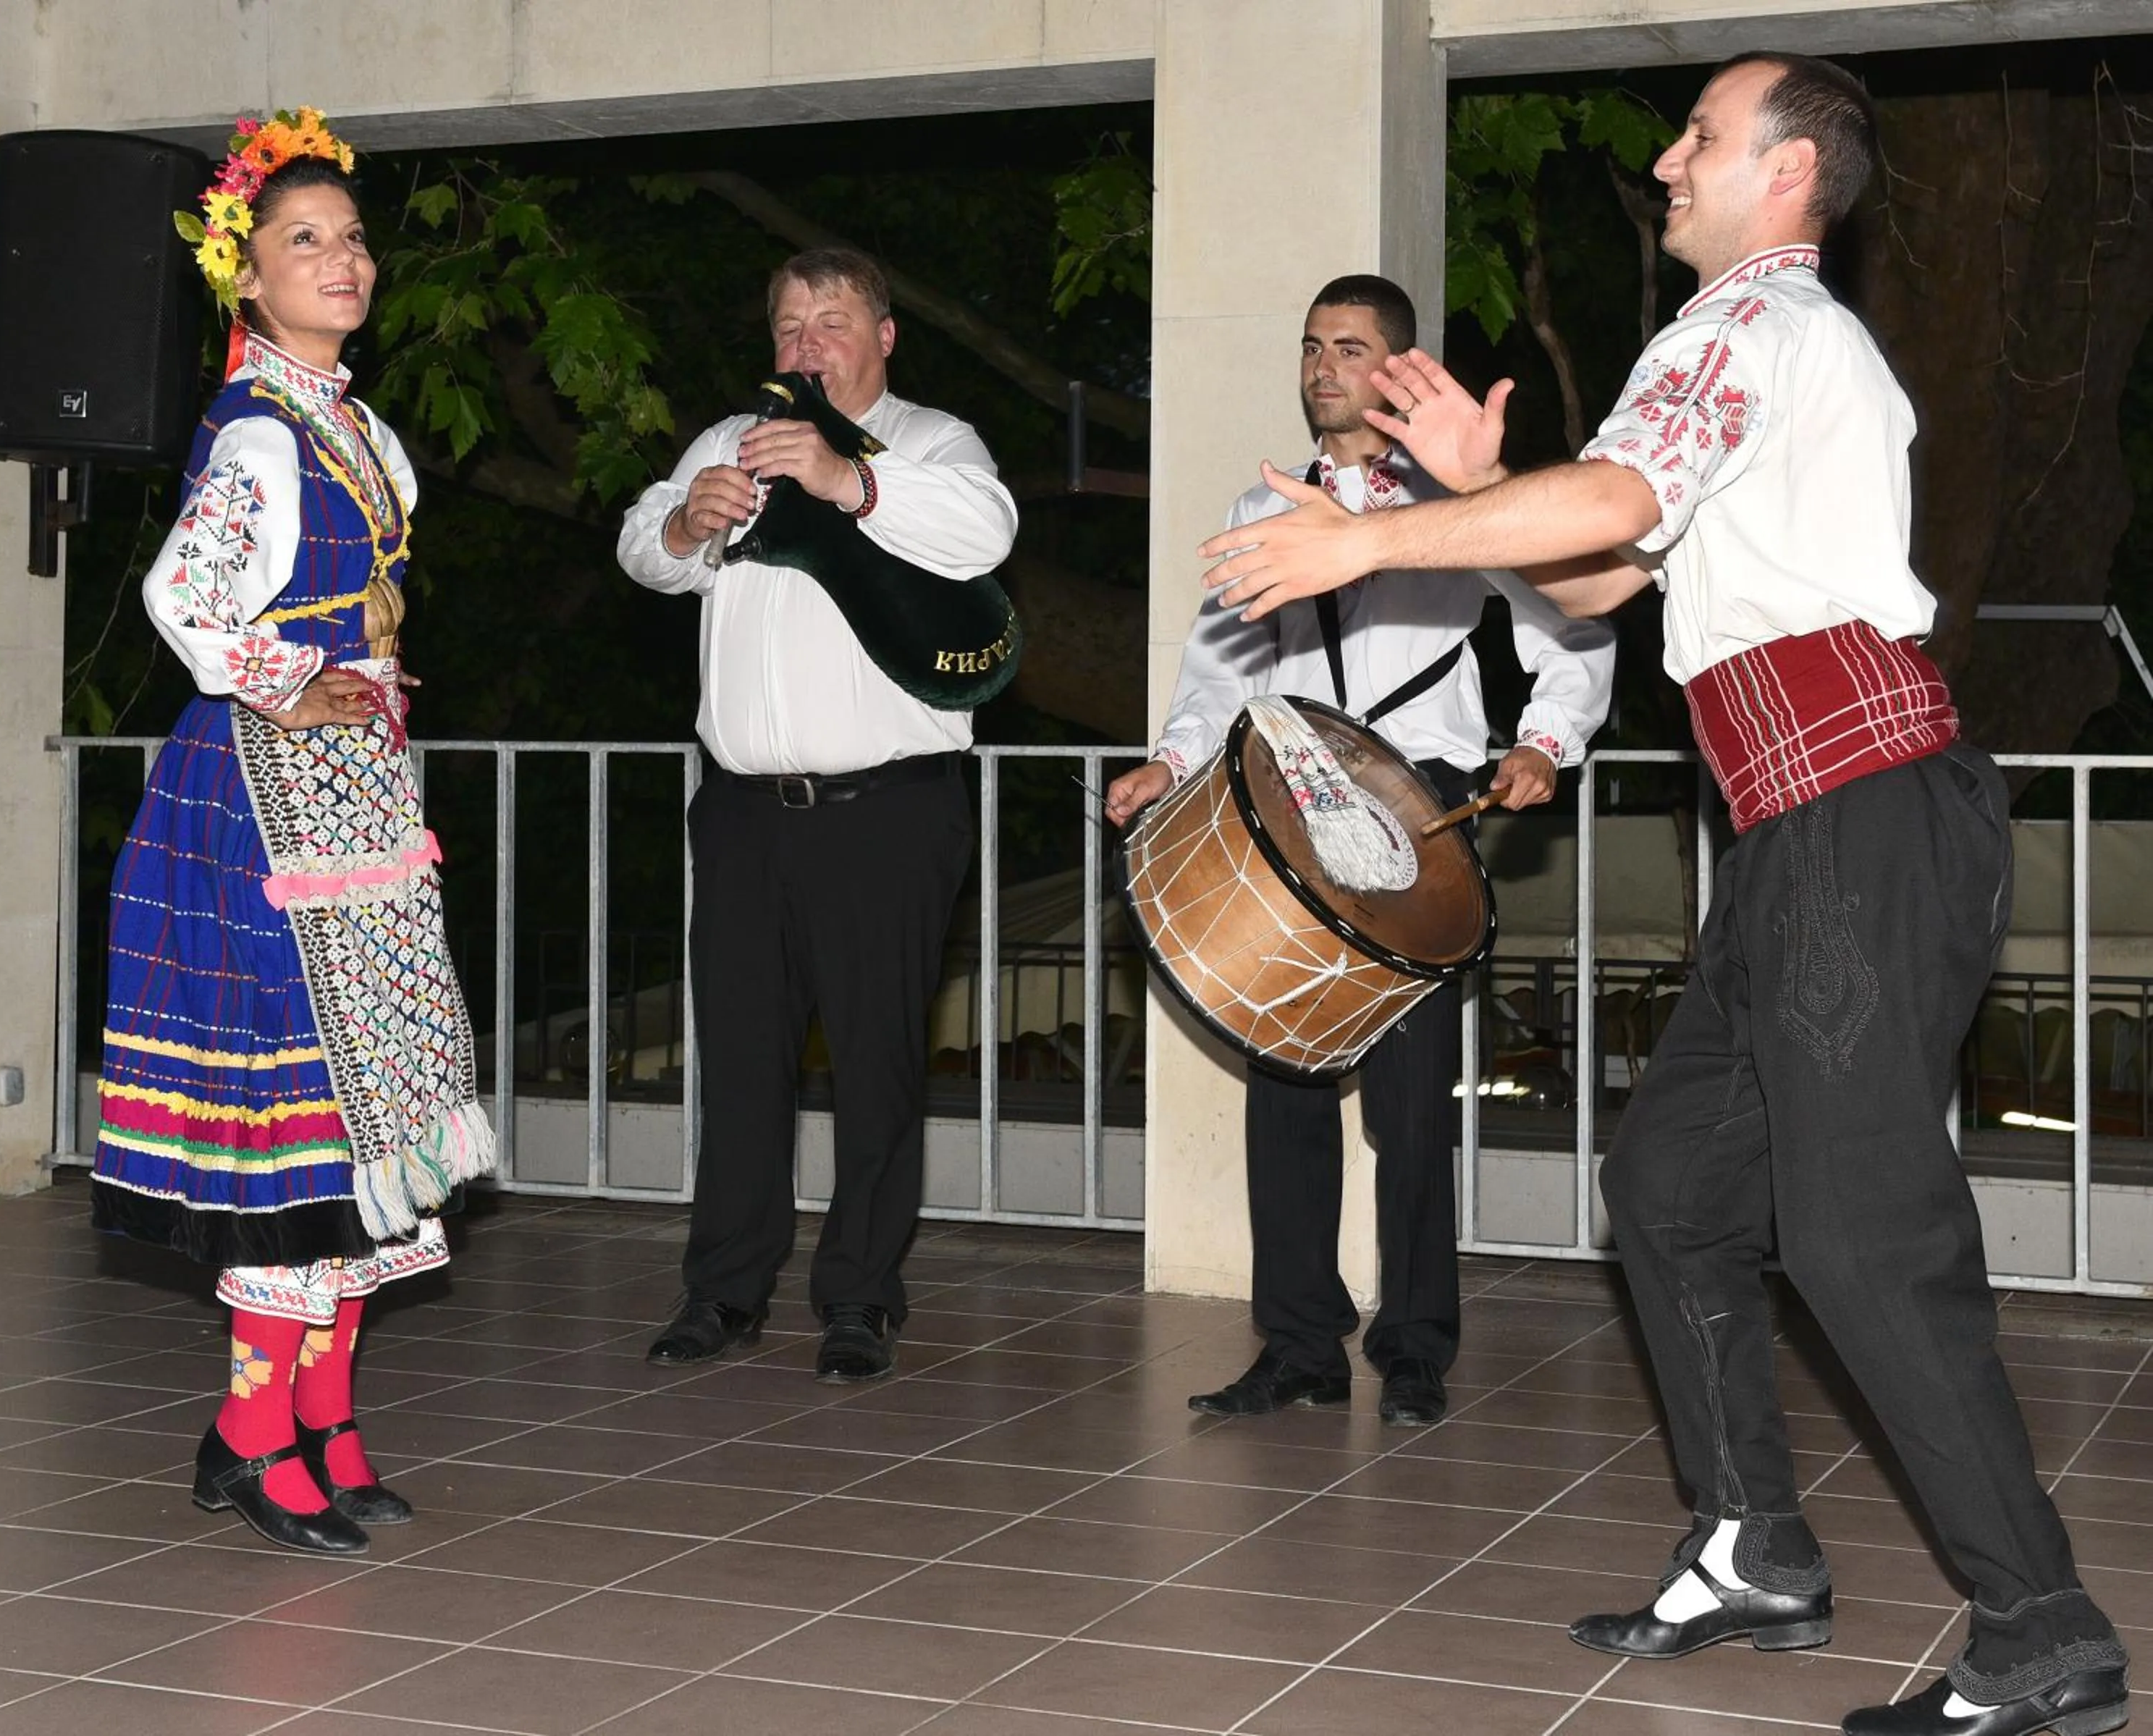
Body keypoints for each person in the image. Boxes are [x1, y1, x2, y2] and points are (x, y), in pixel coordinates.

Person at [1196, 54, 2127, 1736]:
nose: (1665, 155)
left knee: (1861, 1233)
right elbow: (1613, 569)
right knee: (1676, 1175)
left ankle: (2041, 1622)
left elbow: (1616, 510)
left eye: (1700, 136)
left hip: (1857, 816)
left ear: (1788, 176)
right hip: (1805, 833)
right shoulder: (1762, 351)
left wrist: (1369, 542)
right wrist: (1481, 496)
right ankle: (1755, 1543)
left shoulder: (1749, 328)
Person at [1106, 274, 1613, 1428]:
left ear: (1394, 369)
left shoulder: (1450, 497)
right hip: (1294, 802)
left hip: (1423, 809)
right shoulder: (1262, 503)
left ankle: (1417, 1344)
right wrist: (1170, 763)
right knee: (1283, 1075)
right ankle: (1298, 1344)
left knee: (1411, 1100)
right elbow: (1221, 671)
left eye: (1348, 347)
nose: (1322, 366)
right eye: (1310, 346)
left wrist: (1544, 740)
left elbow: (1569, 623)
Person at [90, 110, 493, 1556]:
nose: (346, 261)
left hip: (353, 793)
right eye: (305, 242)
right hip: (257, 803)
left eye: (355, 238)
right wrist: (296, 677)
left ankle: (314, 1419)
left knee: (366, 1107)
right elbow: (188, 605)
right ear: (247, 282)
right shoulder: (261, 429)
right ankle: (264, 1430)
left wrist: (365, 675)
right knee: (295, 1125)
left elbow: (342, 602)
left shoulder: (356, 425)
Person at [618, 248, 1016, 1383]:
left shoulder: (934, 442)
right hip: (743, 813)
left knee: (878, 1064)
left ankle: (859, 1296)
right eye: (789, 325)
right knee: (741, 1060)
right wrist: (689, 523)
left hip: (886, 811)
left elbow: (984, 535)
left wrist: (849, 480)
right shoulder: (727, 441)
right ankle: (724, 1290)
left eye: (831, 323)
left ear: (883, 337)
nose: (806, 346)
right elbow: (641, 550)